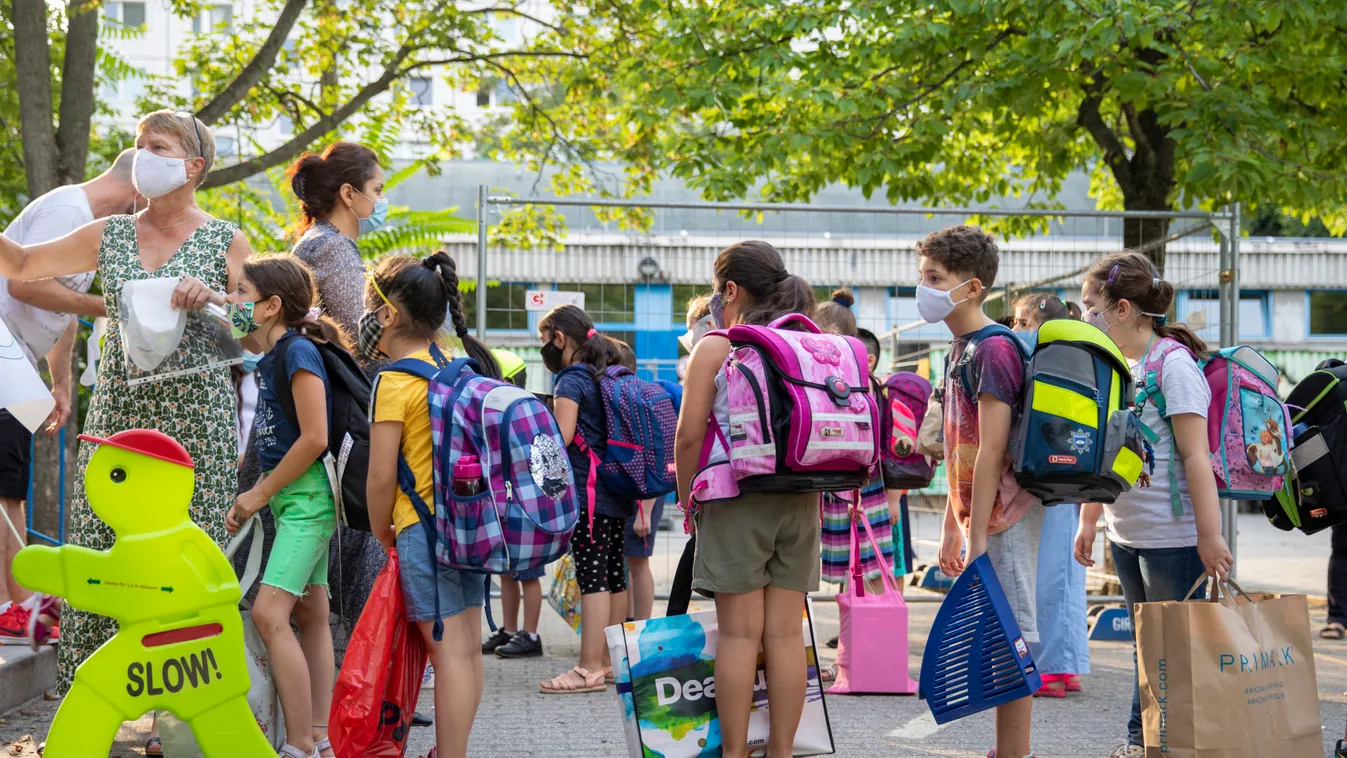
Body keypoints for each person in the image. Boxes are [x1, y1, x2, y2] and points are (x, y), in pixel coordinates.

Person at [0, 111, 254, 700]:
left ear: (193, 167)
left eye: (156, 146)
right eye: (139, 145)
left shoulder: (226, 238)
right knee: (98, 553)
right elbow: (21, 266)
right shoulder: (108, 233)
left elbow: (260, 326)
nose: (141, 155)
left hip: (199, 425)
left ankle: (185, 713)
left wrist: (215, 299)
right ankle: (96, 704)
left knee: (191, 561)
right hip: (117, 420)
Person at [1073, 251, 1233, 758]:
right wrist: (1089, 521)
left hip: (1173, 539)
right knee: (1149, 648)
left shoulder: (1173, 365)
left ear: (1122, 309)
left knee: (1172, 654)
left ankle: (1168, 745)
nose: (1084, 317)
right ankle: (1143, 743)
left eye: (1089, 306)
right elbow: (1110, 451)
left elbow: (1195, 456)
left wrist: (1209, 536)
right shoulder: (1121, 364)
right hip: (1127, 534)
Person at [676, 241, 819, 758]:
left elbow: (689, 438)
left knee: (739, 637)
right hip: (802, 500)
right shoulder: (808, 339)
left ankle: (735, 753)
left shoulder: (718, 346)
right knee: (784, 636)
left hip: (736, 498)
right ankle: (781, 751)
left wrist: (685, 498)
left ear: (730, 289)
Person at [0, 148, 140, 646]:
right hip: (3, 352)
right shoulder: (69, 211)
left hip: (18, 362)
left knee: (9, 482)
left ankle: (17, 603)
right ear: (137, 190)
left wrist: (59, 383)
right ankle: (14, 606)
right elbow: (25, 286)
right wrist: (106, 306)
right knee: (6, 487)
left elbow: (58, 315)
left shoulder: (93, 226)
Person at [365, 252, 498, 758]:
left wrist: (384, 530)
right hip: (469, 524)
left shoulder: (394, 381)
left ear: (386, 314)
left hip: (420, 527)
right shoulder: (456, 366)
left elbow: (380, 478)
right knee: (464, 649)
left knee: (447, 654)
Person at [266, 142, 390, 663]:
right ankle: (363, 686)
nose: (381, 200)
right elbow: (358, 342)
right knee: (354, 555)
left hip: (324, 422)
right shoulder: (333, 249)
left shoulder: (318, 244)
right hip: (342, 428)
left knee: (322, 589)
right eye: (378, 189)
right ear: (348, 192)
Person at [921, 226, 1040, 758]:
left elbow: (992, 451)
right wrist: (953, 523)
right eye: (922, 275)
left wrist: (977, 535)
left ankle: (1015, 753)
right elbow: (957, 447)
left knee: (1010, 639)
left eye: (934, 278)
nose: (922, 287)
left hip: (1004, 518)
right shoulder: (958, 347)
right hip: (977, 516)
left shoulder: (994, 349)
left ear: (970, 288)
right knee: (998, 635)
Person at [222, 255, 344, 758]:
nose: (232, 301)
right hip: (297, 501)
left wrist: (259, 494)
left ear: (271, 306)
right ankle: (320, 734)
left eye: (239, 292)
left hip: (307, 501)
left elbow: (315, 437)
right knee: (312, 612)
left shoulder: (297, 353)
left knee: (271, 615)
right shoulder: (274, 356)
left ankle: (298, 745)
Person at [537, 304, 628, 694]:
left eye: (545, 341)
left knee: (593, 577)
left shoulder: (571, 380)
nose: (545, 349)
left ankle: (588, 667)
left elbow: (563, 436)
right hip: (618, 486)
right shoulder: (604, 373)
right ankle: (611, 663)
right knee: (613, 574)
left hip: (588, 490)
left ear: (560, 338)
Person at [1009, 295, 1089, 698]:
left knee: (1046, 573)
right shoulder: (1078, 354)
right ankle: (1068, 663)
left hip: (1042, 472)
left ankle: (1051, 668)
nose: (1018, 327)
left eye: (1024, 320)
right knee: (1067, 573)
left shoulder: (1035, 349)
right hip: (1072, 470)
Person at [815, 290, 894, 665]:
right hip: (856, 485)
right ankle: (856, 654)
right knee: (859, 571)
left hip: (852, 487)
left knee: (867, 570)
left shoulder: (852, 381)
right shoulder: (864, 381)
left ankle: (866, 654)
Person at [479, 345, 545, 659]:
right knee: (506, 571)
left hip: (526, 505)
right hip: (504, 502)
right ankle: (508, 629)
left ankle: (530, 634)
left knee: (529, 573)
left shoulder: (523, 409)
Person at [667, 293, 713, 617]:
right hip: (779, 491)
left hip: (715, 492)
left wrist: (687, 505)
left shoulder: (709, 354)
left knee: (736, 620)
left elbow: (687, 438)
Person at [611, 339, 661, 622]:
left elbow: (649, 457)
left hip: (644, 496)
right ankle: (630, 622)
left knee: (639, 563)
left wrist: (646, 510)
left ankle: (643, 626)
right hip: (635, 493)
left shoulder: (634, 401)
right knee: (628, 562)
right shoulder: (628, 397)